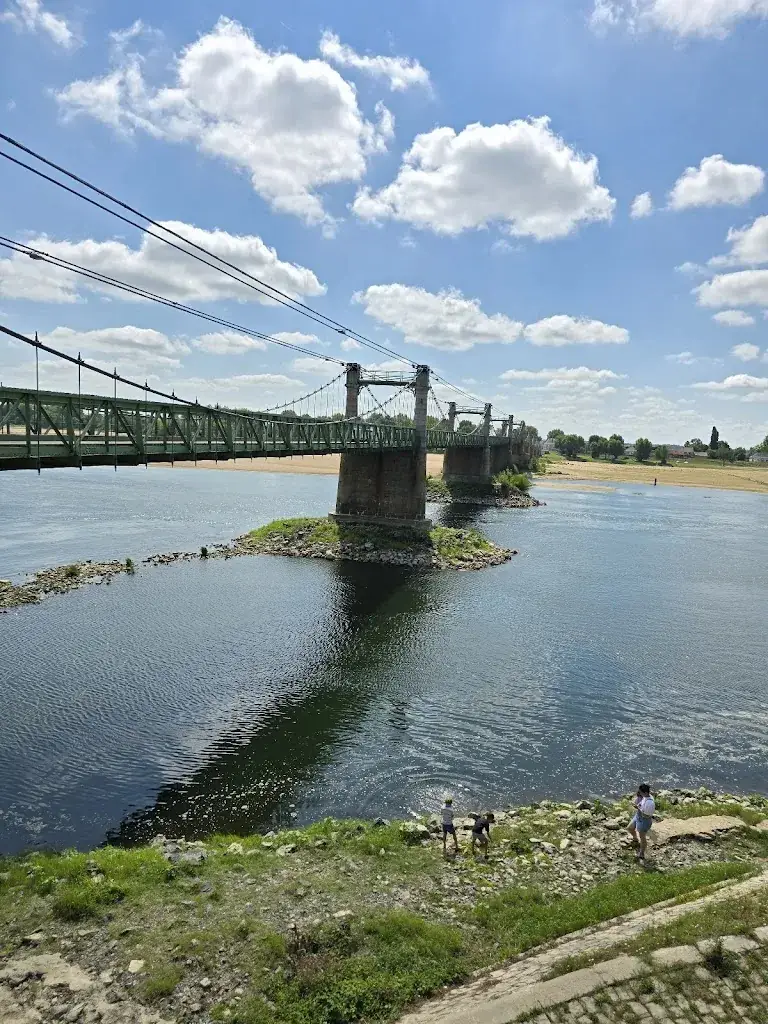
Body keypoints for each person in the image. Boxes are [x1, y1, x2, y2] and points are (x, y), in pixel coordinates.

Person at [628, 784, 655, 861]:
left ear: (645, 793)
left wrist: (637, 808)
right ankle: (635, 838)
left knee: (642, 837)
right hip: (638, 816)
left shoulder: (650, 803)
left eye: (640, 792)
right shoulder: (644, 797)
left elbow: (647, 816)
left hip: (644, 820)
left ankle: (642, 853)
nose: (639, 793)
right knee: (630, 828)